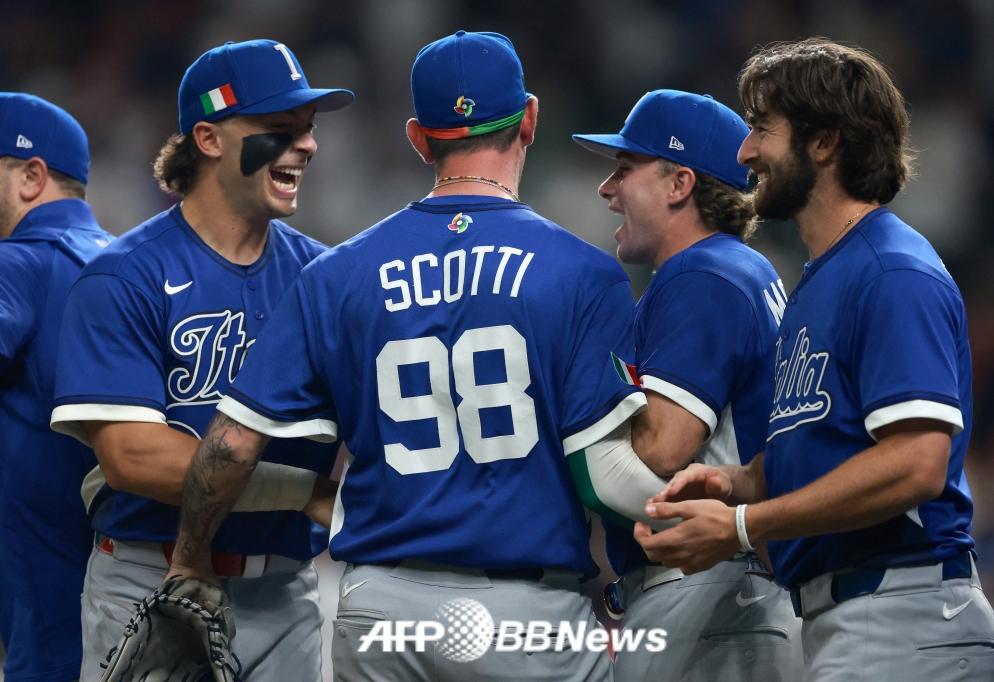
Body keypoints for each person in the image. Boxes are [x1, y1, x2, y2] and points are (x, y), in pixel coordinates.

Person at [165, 30, 673, 682]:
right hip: (529, 613)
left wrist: (189, 556)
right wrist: (728, 523)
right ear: (529, 119)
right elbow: (601, 474)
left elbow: (233, 444)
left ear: (418, 138)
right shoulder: (583, 272)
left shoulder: (336, 274)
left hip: (381, 609)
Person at [636, 39, 994, 681]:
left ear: (824, 142)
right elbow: (824, 444)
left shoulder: (891, 271)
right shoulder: (821, 279)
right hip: (857, 620)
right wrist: (737, 482)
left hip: (904, 612)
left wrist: (744, 525)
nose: (745, 151)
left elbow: (917, 464)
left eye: (762, 129)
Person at [49, 40, 353, 681]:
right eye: (280, 128)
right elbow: (132, 457)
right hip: (148, 579)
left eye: (307, 128)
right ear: (209, 139)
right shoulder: (125, 276)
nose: (307, 145)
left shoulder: (323, 277)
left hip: (286, 587)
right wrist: (304, 492)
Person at [573, 89, 802, 680]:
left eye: (626, 168)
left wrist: (578, 393)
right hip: (737, 587)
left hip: (708, 591)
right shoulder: (739, 267)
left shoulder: (704, 272)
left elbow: (662, 448)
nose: (607, 189)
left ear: (680, 183)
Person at [0, 93, 113, 682]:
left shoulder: (19, 262)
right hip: (138, 586)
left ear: (31, 177)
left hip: (51, 618)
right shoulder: (132, 261)